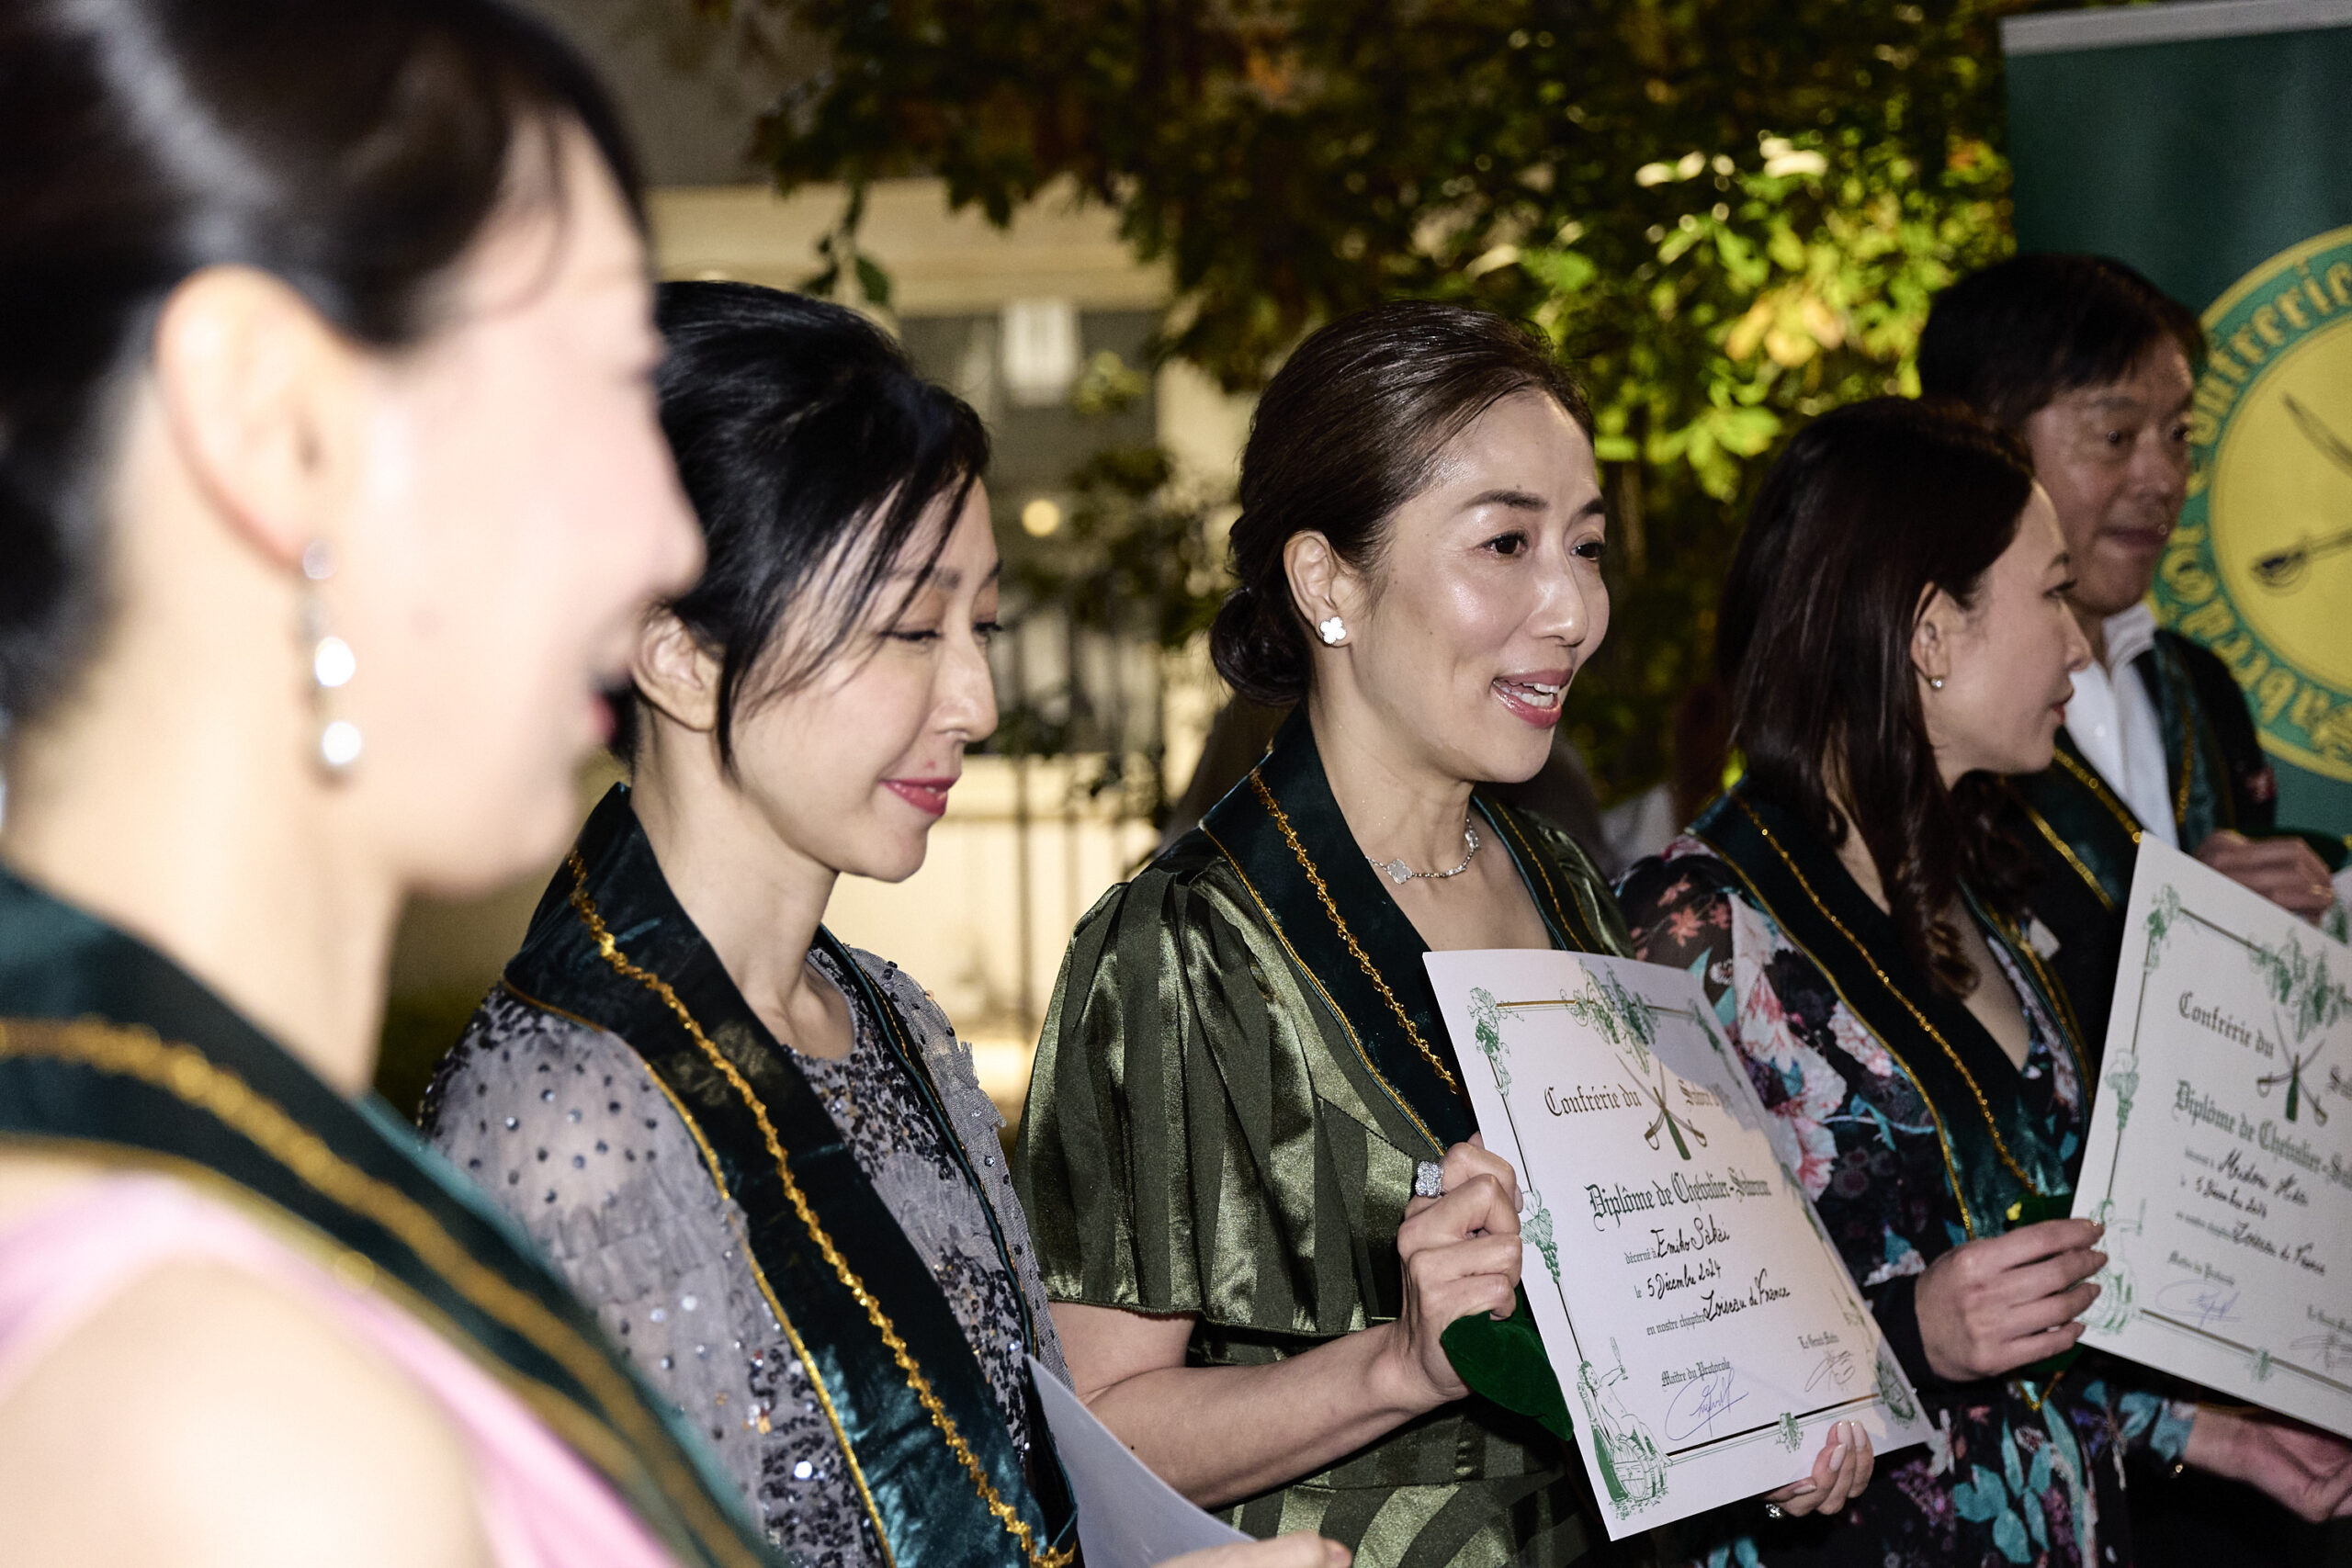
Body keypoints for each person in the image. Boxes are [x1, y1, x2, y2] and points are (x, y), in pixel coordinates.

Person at [0, 3, 772, 1563]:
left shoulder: (189, 1217)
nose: (670, 537)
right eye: (607, 382)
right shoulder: (242, 1436)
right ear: (277, 428)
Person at [419, 281, 1349, 1568]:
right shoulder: (570, 1115)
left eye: (983, 625)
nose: (976, 697)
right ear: (676, 648)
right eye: (910, 628)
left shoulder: (892, 1019)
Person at [1014, 301, 1871, 1566]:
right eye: (1506, 542)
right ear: (1327, 581)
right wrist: (1395, 1367)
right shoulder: (1181, 945)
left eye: (1585, 547)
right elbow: (1091, 1426)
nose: (1573, 609)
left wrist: (1760, 1411)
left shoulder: (1564, 882)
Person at [1616, 398, 2352, 1567]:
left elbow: (2023, 1309)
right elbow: (1653, 1355)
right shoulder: (1692, 926)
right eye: (2051, 594)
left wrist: (2204, 1434)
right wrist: (1910, 1332)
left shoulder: (1976, 890)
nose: (2078, 645)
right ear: (1928, 634)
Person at [1917, 254, 2343, 1058]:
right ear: (1983, 442)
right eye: (2115, 437)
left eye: (2179, 435)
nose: (2163, 479)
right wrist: (2183, 936)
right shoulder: (1931, 715)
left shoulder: (2201, 685)